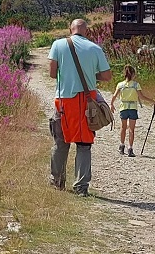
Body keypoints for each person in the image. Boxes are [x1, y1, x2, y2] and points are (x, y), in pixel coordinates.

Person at [48, 18, 112, 196]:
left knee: (61, 142)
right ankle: (81, 187)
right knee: (84, 144)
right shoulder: (95, 48)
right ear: (86, 31)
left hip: (63, 103)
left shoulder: (58, 45)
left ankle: (57, 182)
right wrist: (90, 75)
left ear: (70, 29)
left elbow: (52, 73)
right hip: (86, 102)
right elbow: (107, 76)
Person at [108, 65, 155, 157]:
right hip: (133, 108)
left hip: (123, 108)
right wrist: (153, 100)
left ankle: (121, 146)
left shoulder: (120, 85)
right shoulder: (136, 85)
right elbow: (142, 97)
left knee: (123, 128)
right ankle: (130, 148)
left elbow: (114, 96)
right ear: (133, 74)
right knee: (131, 129)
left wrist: (111, 104)